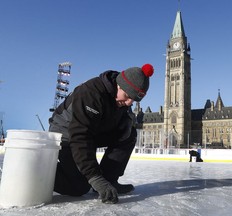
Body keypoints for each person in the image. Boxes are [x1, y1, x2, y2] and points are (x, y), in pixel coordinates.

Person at [49, 64, 154, 204]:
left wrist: (126, 125)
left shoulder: (121, 101)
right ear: (120, 86)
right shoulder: (91, 92)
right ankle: (38, 170)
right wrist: (95, 178)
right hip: (66, 134)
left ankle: (110, 179)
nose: (129, 103)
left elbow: (118, 129)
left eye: (134, 100)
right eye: (127, 96)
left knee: (129, 133)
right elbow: (81, 136)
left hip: (93, 132)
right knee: (79, 186)